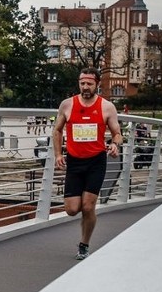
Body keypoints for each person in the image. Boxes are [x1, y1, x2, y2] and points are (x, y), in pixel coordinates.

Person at [52, 67, 122, 260]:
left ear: (97, 84)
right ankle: (84, 218)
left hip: (96, 162)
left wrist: (115, 145)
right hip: (74, 162)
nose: (85, 87)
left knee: (89, 207)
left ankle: (84, 244)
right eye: (82, 83)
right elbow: (57, 131)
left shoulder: (107, 107)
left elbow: (117, 133)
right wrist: (58, 154)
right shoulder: (67, 105)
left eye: (89, 83)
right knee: (72, 209)